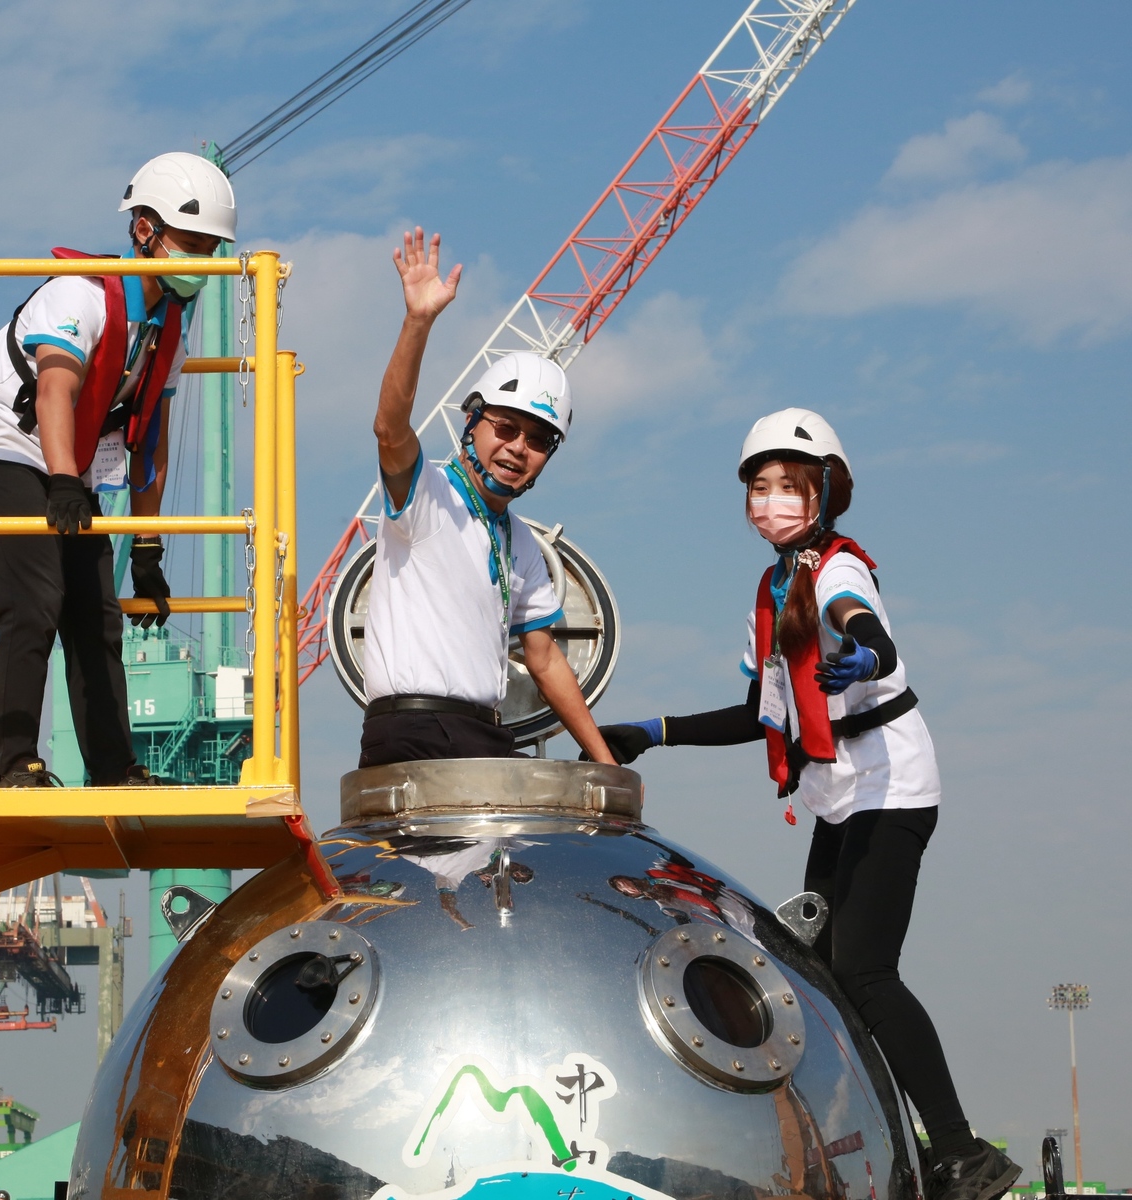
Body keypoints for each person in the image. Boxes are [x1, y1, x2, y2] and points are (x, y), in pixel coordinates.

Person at [589, 408, 1019, 1200]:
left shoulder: (838, 570)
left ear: (825, 491)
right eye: (760, 486)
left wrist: (865, 651)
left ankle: (962, 1153)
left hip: (892, 788)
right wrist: (652, 730)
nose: (771, 500)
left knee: (866, 971)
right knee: (816, 972)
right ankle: (846, 1138)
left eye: (789, 485)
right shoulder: (771, 587)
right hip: (837, 795)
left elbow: (860, 622)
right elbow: (761, 711)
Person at [0, 152, 235, 787]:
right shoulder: (80, 296)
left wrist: (149, 545)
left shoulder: (168, 331)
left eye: (212, 248)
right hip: (0, 450)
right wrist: (62, 485)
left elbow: (148, 440)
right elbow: (55, 389)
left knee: (96, 613)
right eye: (191, 243)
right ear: (144, 231)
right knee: (35, 600)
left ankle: (114, 768)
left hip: (65, 464)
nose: (203, 260)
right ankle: (14, 762)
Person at [361, 228, 614, 768]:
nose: (518, 448)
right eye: (505, 427)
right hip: (412, 728)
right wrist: (418, 322)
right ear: (471, 422)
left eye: (539, 440)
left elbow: (544, 660)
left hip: (484, 735)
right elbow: (390, 428)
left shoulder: (518, 540)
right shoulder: (428, 493)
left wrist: (605, 760)